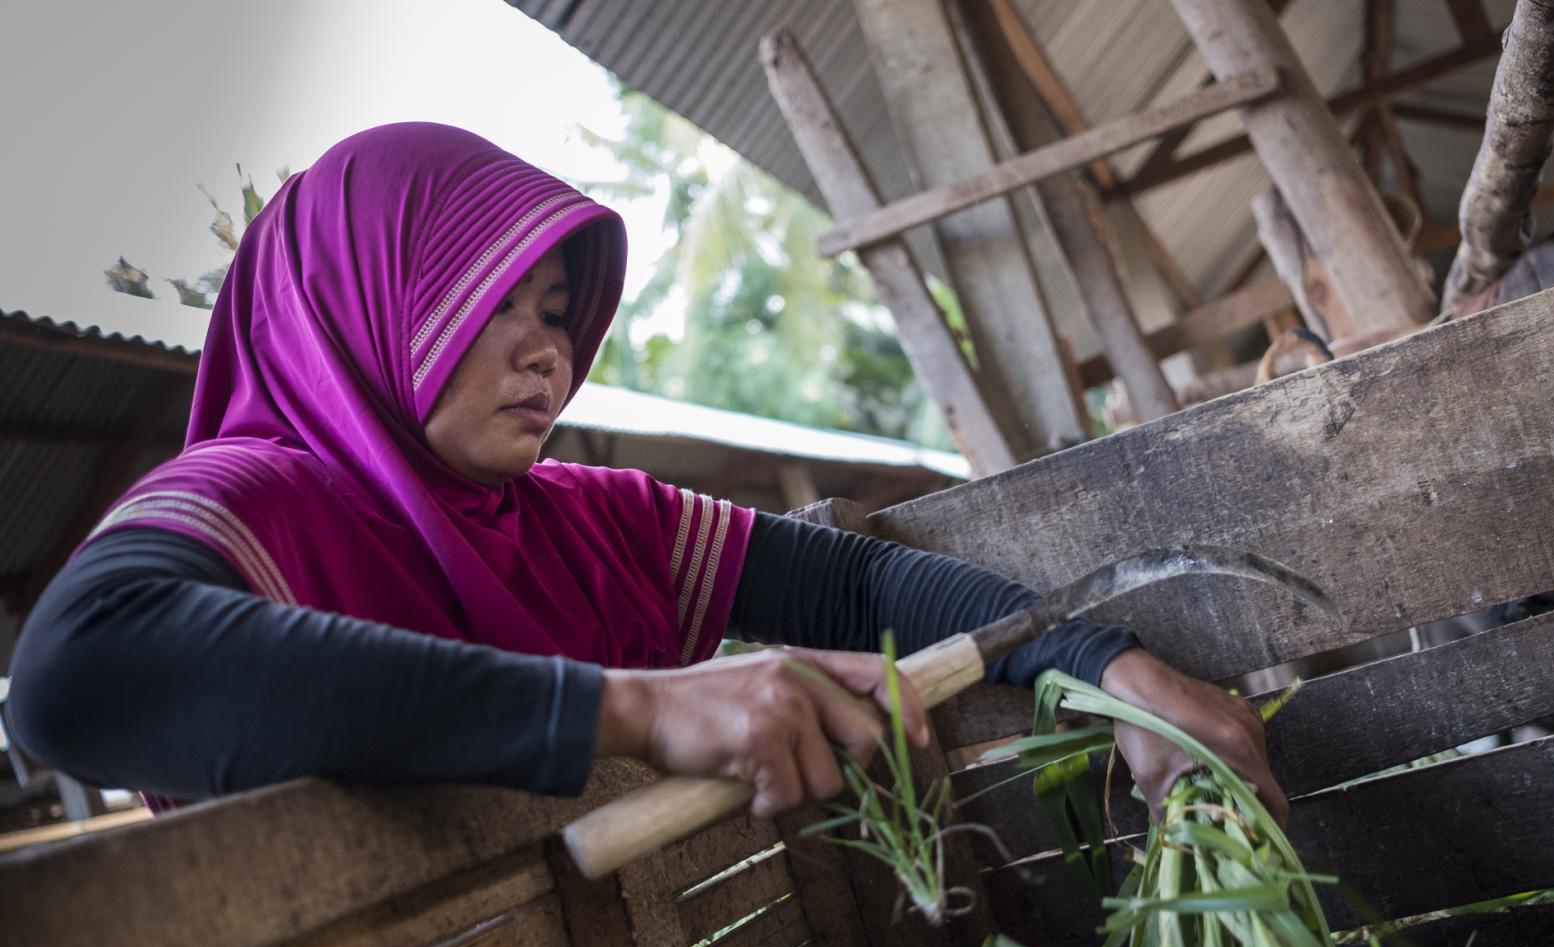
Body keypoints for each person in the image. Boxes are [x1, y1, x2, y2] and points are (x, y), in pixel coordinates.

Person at [7, 123, 1283, 824]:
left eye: (558, 310)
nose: (545, 348)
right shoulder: (255, 498)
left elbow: (845, 584)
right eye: (479, 298)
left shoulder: (579, 521)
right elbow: (68, 680)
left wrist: (1108, 665)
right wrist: (634, 708)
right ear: (353, 309)